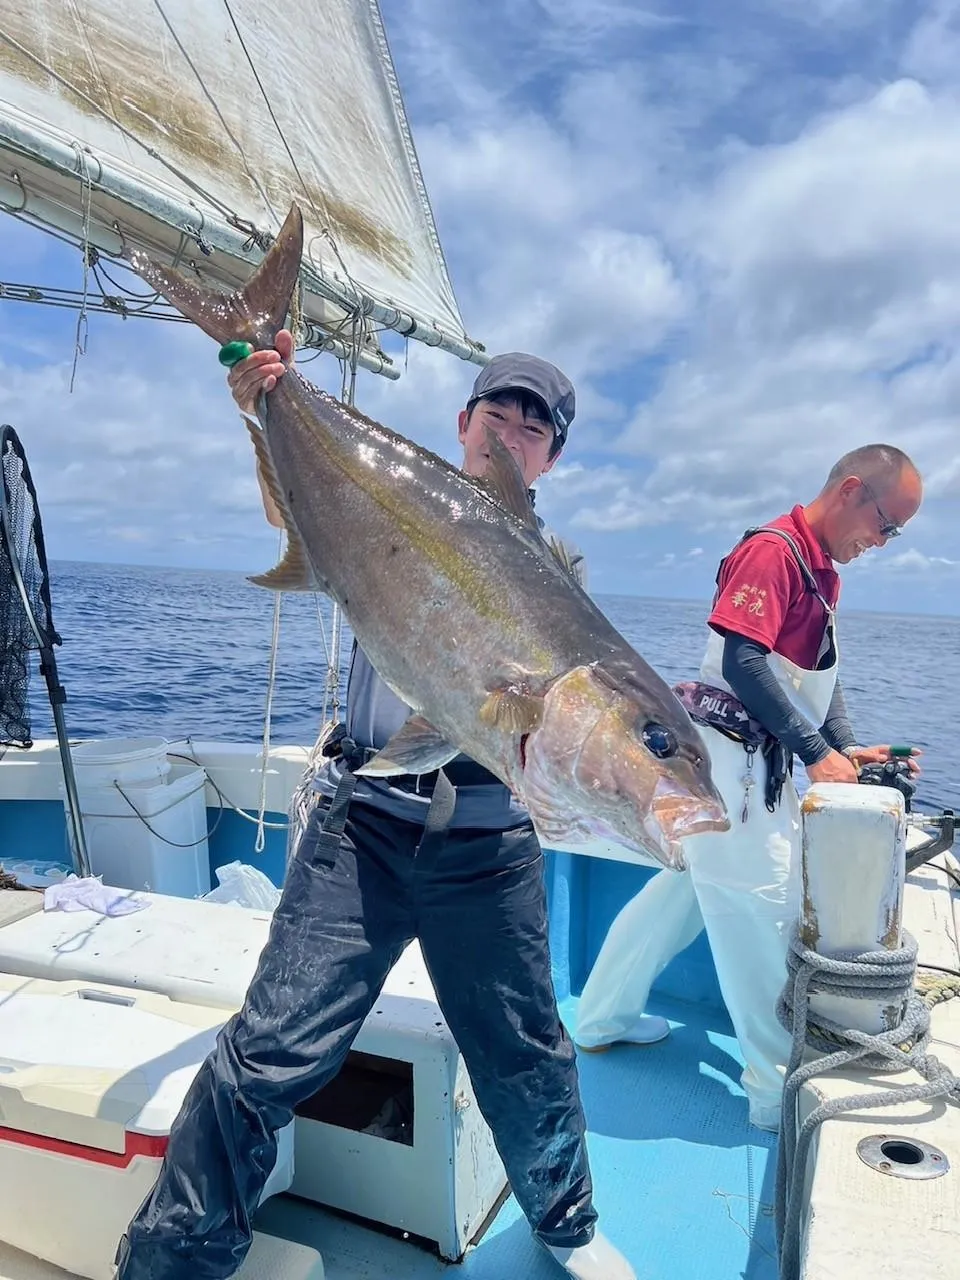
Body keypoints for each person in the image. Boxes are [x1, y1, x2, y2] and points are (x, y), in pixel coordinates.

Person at [114, 333, 634, 1280]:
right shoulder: (385, 497)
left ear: (552, 458)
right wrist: (263, 405)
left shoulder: (558, 571)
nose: (512, 435)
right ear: (463, 423)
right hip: (362, 829)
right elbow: (302, 518)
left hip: (487, 844)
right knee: (267, 1053)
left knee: (527, 1059)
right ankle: (169, 1264)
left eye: (536, 426)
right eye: (499, 413)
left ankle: (567, 1226)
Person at [574, 445, 923, 1131]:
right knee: (763, 923)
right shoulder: (773, 551)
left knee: (676, 902)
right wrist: (817, 754)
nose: (882, 544)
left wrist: (844, 744)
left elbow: (822, 676)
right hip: (725, 770)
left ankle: (598, 1018)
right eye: (886, 526)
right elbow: (742, 660)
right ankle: (772, 1093)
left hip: (751, 770)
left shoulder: (822, 572)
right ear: (853, 492)